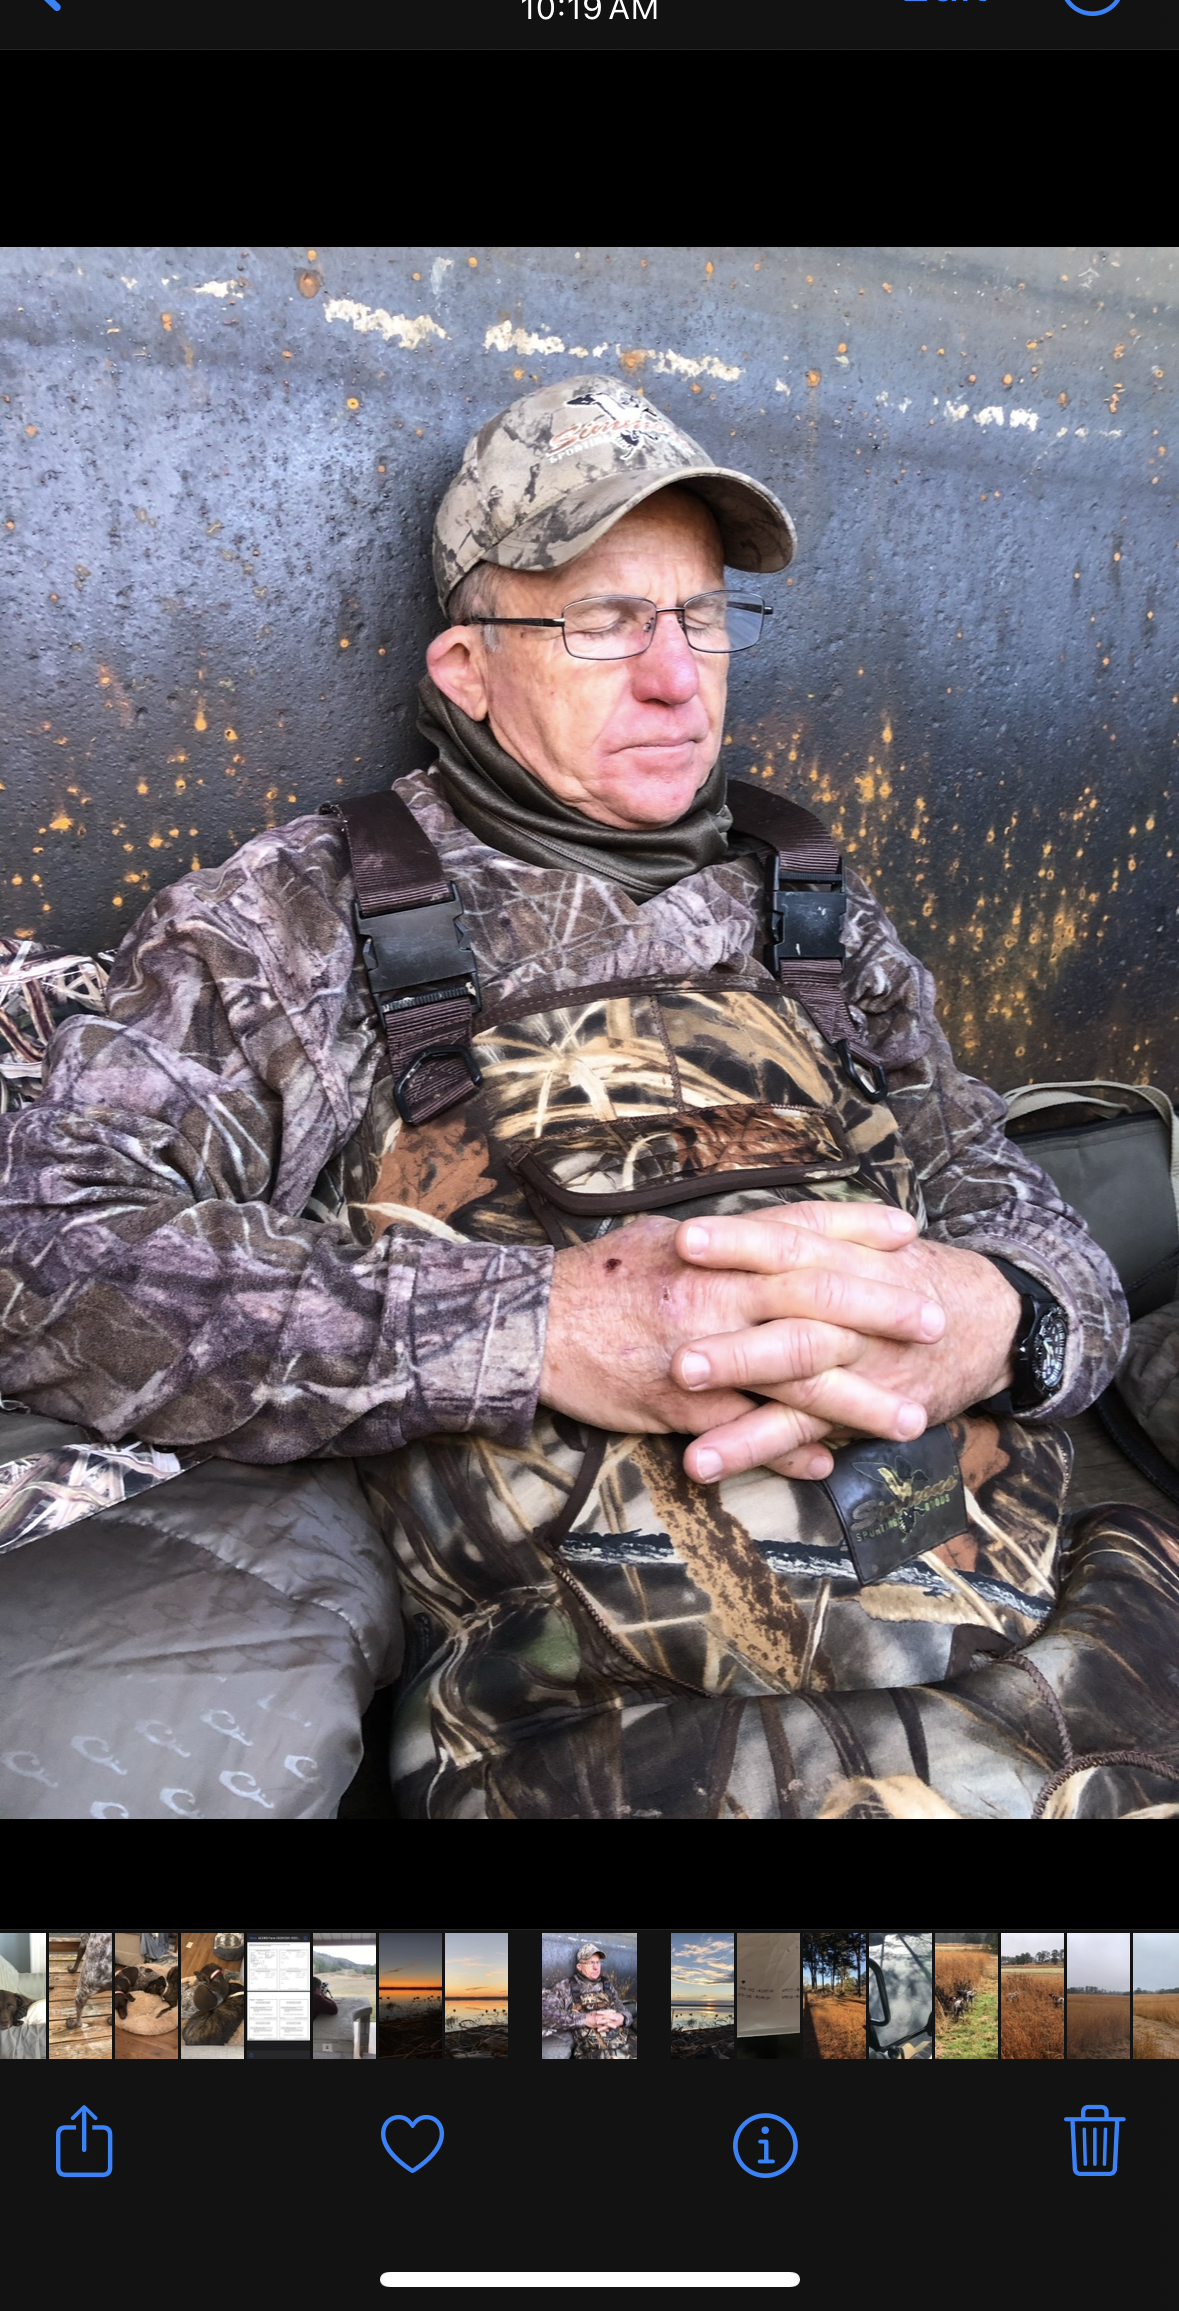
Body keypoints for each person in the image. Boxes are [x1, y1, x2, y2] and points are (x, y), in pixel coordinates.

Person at [1, 374, 1173, 1820]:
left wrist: (997, 1314)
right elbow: (44, 1253)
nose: (677, 679)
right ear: (466, 668)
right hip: (639, 1741)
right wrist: (533, 1325)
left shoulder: (814, 912)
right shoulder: (296, 917)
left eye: (699, 618)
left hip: (1073, 1657)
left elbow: (1018, 1208)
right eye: (603, 623)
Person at [542, 1943, 633, 2058]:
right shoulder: (566, 1987)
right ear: (579, 1967)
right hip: (593, 2051)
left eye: (598, 1962)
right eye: (591, 1963)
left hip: (625, 2044)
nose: (596, 1967)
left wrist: (622, 2018)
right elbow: (545, 2012)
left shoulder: (607, 1986)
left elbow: (623, 2009)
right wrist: (584, 2019)